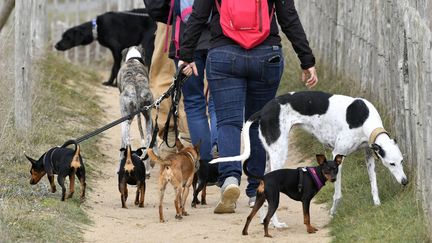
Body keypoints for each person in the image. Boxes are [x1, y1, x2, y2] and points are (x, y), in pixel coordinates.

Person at [178, 0, 318, 214]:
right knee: (257, 122)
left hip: (223, 54)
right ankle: (256, 189)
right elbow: (288, 17)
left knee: (228, 122)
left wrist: (186, 55)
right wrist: (306, 60)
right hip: (266, 54)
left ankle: (230, 179)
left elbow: (198, 15)